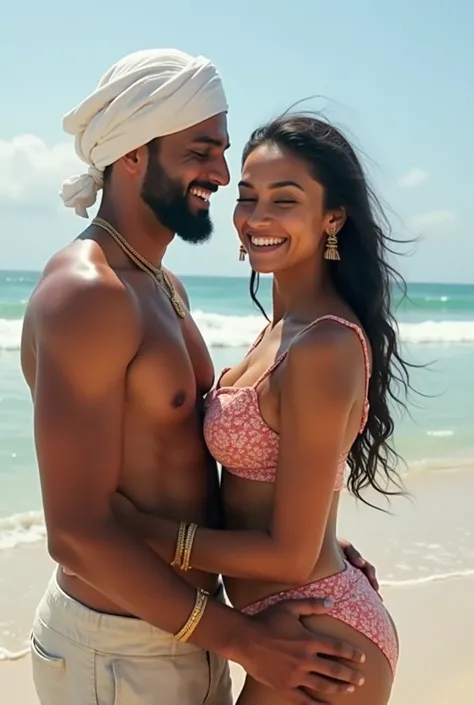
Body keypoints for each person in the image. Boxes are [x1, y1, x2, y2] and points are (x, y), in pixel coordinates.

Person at [21, 49, 375, 705]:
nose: (220, 172)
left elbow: (178, 464)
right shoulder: (87, 294)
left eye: (222, 151)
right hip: (118, 648)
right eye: (201, 150)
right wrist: (243, 639)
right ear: (133, 154)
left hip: (191, 631)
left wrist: (313, 543)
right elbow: (73, 529)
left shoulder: (160, 286)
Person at [111, 112, 410, 705]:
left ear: (333, 217)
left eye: (284, 199)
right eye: (247, 197)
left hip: (319, 643)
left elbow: (291, 553)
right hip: (287, 626)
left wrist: (141, 530)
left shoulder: (322, 345)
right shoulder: (284, 328)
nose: (257, 218)